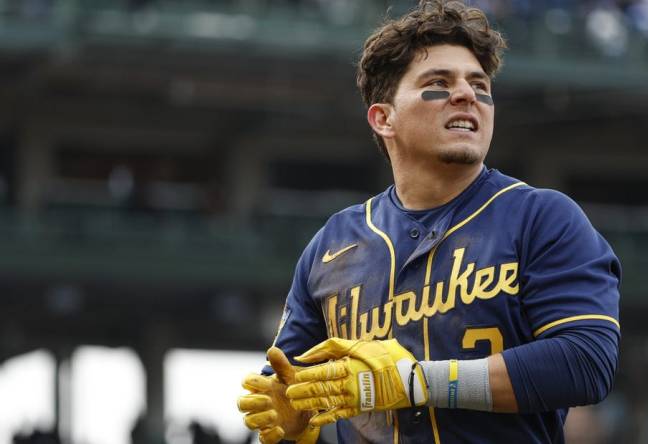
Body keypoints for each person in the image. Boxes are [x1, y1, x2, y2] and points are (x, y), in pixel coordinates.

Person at [237, 1, 621, 443]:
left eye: (479, 85)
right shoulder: (333, 242)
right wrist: (290, 419)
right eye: (438, 83)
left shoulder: (542, 217)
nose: (466, 95)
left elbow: (586, 361)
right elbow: (286, 386)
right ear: (384, 118)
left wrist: (415, 382)